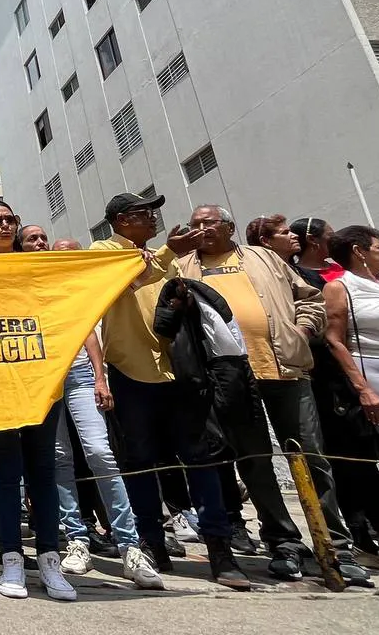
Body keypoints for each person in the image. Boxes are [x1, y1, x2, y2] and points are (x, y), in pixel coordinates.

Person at [177, 204, 369, 583]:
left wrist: (303, 329)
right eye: (196, 224)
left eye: (209, 223)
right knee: (255, 461)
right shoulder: (183, 266)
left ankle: (335, 545)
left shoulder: (265, 257)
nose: (202, 230)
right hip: (228, 377)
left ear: (229, 226)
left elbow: (309, 298)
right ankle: (284, 543)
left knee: (311, 455)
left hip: (284, 369)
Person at [90, 192, 249, 590]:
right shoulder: (102, 252)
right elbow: (119, 286)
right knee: (141, 463)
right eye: (146, 213)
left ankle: (220, 549)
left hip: (180, 372)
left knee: (201, 459)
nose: (154, 218)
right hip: (131, 374)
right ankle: (152, 541)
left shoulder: (168, 256)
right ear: (123, 220)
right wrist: (165, 254)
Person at [35, 233, 164, 590]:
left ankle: (130, 546)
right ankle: (77, 539)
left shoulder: (79, 286)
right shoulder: (35, 281)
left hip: (78, 373)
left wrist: (99, 378)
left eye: (68, 252)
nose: (61, 256)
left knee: (99, 452)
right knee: (59, 457)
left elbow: (89, 332)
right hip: (44, 376)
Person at [0, 201, 74, 600]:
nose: (4, 225)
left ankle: (49, 557)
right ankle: (11, 557)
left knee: (43, 468)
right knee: (6, 470)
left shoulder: (39, 264)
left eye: (10, 220)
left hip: (40, 377)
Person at [323, 226, 379, 559]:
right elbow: (335, 339)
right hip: (376, 371)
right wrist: (363, 388)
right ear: (359, 251)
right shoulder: (340, 288)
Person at [290, 218, 344, 288]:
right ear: (311, 239)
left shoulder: (340, 267)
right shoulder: (297, 277)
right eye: (331, 236)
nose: (336, 240)